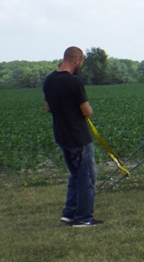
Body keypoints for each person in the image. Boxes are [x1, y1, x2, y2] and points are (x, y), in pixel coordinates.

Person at [43, 47, 101, 227]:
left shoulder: (49, 80)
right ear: (77, 60)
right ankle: (83, 218)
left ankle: (69, 213)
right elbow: (87, 111)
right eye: (81, 62)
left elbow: (47, 107)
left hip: (62, 135)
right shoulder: (74, 82)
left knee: (75, 175)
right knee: (87, 177)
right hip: (78, 137)